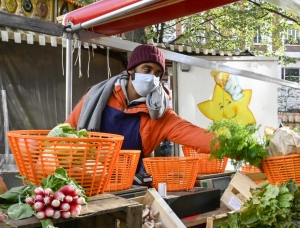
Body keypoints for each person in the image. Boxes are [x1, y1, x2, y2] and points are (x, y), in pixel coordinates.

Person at [66, 44, 214, 169]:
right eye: (147, 69)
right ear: (131, 69)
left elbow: (196, 136)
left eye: (157, 74)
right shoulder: (97, 97)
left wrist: (233, 145)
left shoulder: (160, 114)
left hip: (128, 186)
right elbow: (66, 132)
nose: (152, 77)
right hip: (89, 178)